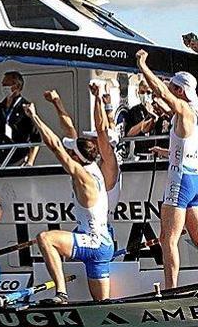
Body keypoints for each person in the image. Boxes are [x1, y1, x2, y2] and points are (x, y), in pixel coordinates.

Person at [23, 102, 112, 302]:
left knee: (45, 238)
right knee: (103, 307)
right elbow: (69, 130)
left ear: (76, 157)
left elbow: (54, 146)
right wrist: (57, 103)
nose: (69, 153)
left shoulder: (82, 175)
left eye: (71, 152)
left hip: (92, 243)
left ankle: (61, 294)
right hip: (103, 243)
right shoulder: (93, 165)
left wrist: (34, 117)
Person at [136, 49, 198, 289]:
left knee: (167, 239)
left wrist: (143, 65)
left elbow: (160, 91)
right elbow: (188, 145)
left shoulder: (183, 110)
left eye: (172, 89)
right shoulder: (193, 110)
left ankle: (171, 290)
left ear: (179, 92)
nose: (168, 92)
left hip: (180, 181)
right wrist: (164, 152)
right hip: (193, 178)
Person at [45, 86, 122, 239]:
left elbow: (101, 129)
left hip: (100, 231)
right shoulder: (90, 160)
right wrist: (57, 102)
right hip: (88, 226)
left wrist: (97, 97)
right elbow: (70, 131)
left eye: (93, 139)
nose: (89, 141)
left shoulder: (109, 162)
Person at [0, 71, 40, 168]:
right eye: (2, 85)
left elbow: (36, 138)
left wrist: (30, 162)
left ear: (16, 86)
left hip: (18, 159)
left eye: (6, 84)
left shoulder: (26, 108)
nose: (4, 88)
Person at [124, 80, 171, 158]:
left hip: (161, 155)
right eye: (142, 92)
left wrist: (158, 114)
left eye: (148, 92)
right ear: (138, 93)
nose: (145, 95)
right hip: (141, 154)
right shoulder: (134, 110)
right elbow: (129, 133)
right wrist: (148, 117)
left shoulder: (161, 108)